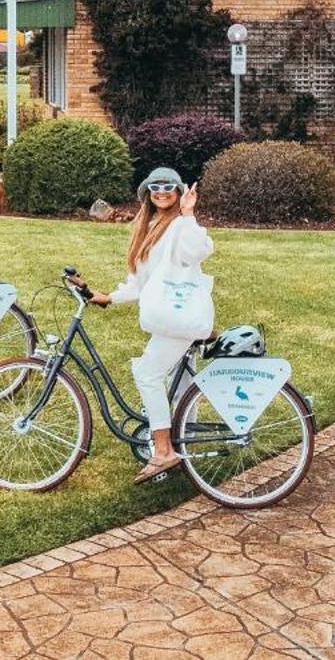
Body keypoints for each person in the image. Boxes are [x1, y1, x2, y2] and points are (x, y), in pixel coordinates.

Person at [74, 166, 214, 482]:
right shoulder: (150, 227)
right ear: (147, 194)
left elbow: (199, 251)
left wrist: (190, 215)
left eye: (168, 187)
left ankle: (163, 452)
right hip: (169, 319)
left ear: (178, 192)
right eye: (155, 187)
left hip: (177, 318)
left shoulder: (179, 225)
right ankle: (179, 443)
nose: (161, 192)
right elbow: (141, 281)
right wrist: (108, 297)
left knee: (147, 373)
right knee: (177, 387)